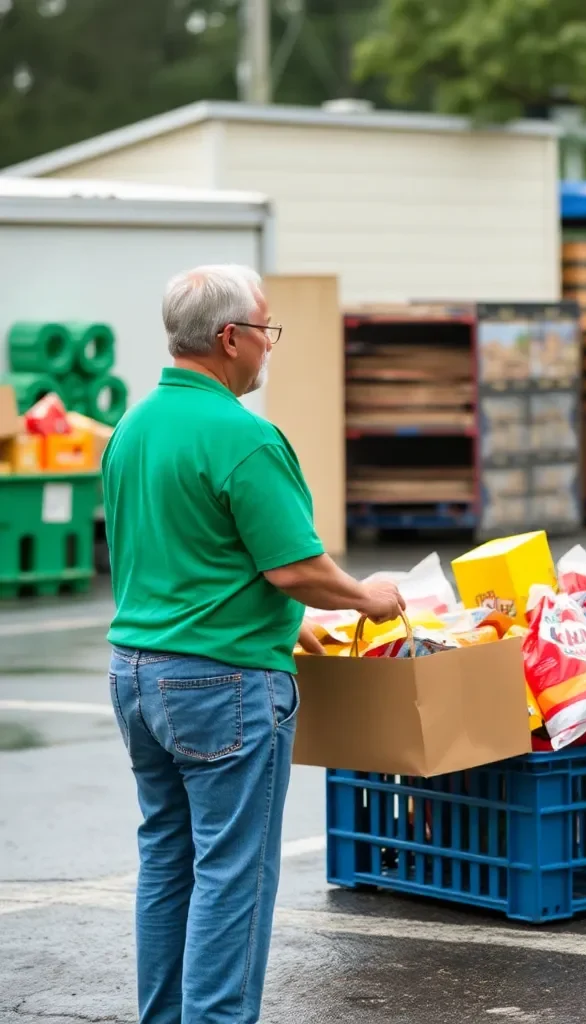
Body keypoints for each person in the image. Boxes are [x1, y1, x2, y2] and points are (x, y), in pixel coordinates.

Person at [104, 264, 404, 1024]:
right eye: (265, 333)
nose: (269, 349)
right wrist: (366, 596)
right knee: (233, 875)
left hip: (137, 676)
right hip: (221, 686)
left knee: (168, 863)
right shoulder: (244, 437)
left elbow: (180, 558)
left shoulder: (132, 429)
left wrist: (289, 620)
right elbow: (294, 565)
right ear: (230, 338)